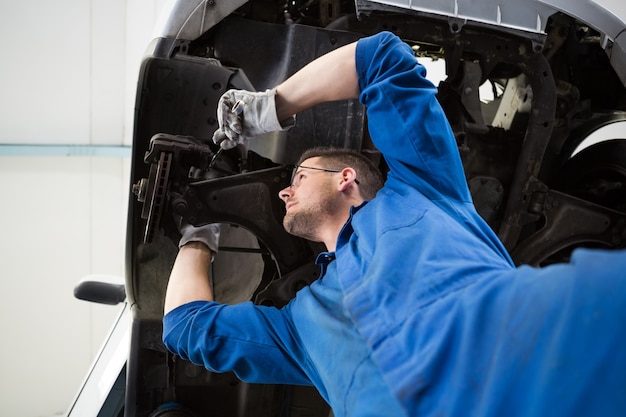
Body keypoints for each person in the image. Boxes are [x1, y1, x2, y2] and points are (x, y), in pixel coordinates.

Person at [162, 31, 626, 416]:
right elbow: (185, 328)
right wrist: (199, 231)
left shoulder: (423, 186)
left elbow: (381, 57)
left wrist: (267, 109)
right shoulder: (298, 328)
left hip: (570, 356)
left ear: (346, 178)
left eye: (298, 177)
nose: (284, 190)